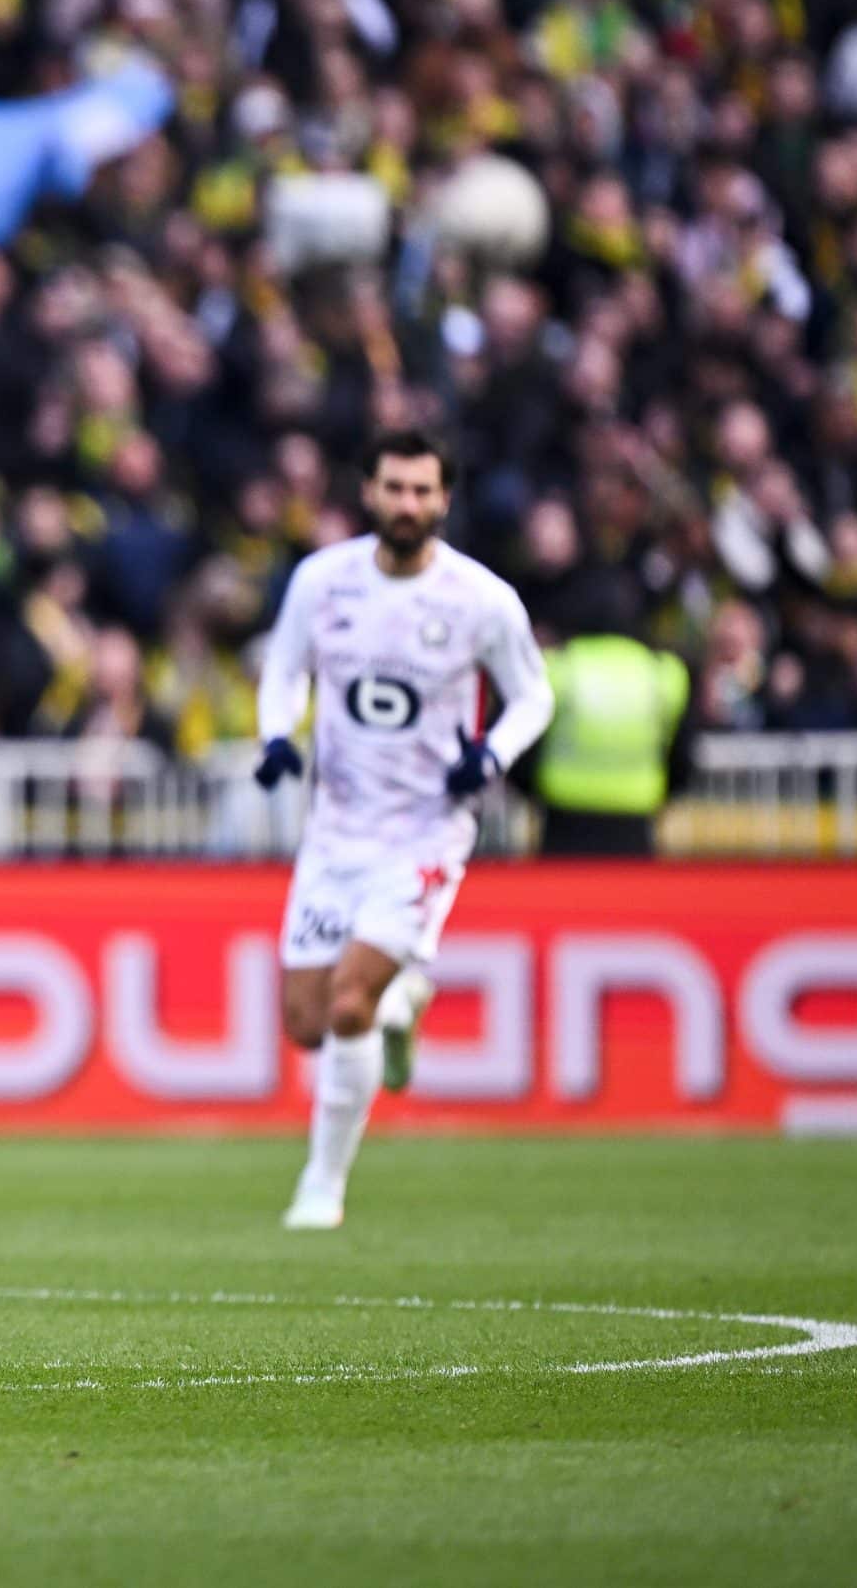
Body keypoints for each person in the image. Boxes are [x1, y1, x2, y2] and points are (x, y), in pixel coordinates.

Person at [252, 430, 553, 1230]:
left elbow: (534, 698)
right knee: (307, 1022)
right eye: (395, 488)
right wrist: (278, 734)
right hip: (335, 830)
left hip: (425, 830)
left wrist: (490, 756)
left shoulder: (481, 600)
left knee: (348, 1002)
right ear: (369, 491)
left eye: (423, 491)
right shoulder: (323, 581)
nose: (409, 504)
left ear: (445, 499)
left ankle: (322, 1188)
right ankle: (401, 1003)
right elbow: (284, 668)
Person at [531, 583, 693, 857]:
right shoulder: (662, 673)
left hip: (565, 824)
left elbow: (523, 748)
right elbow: (683, 759)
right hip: (635, 825)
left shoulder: (556, 669)